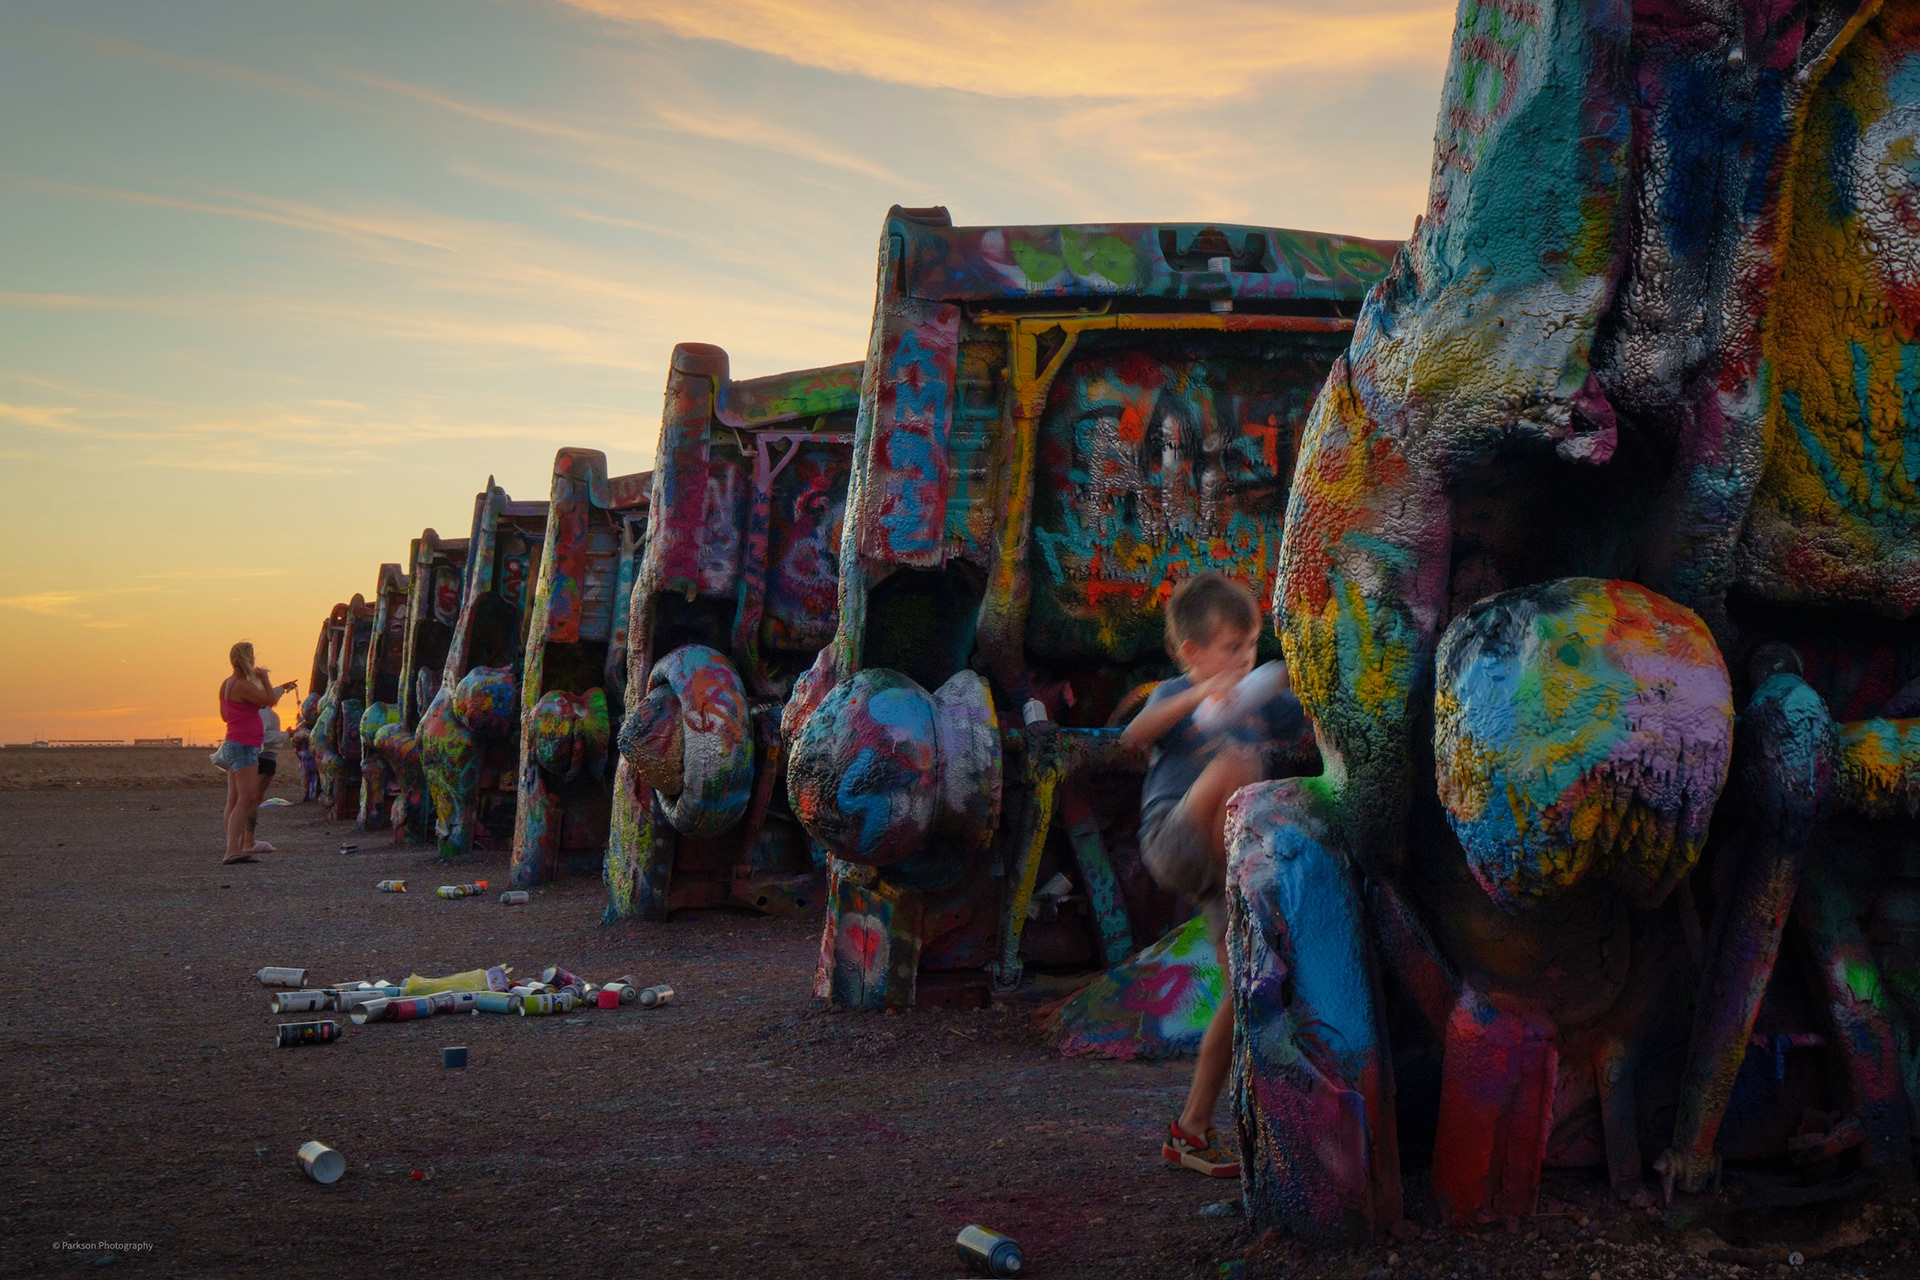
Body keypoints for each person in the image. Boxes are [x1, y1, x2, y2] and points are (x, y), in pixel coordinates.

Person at [1120, 572, 1303, 1178]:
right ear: (1193, 652)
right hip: (1174, 840)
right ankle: (1255, 886)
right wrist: (1202, 694)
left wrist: (1289, 675)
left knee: (1242, 992)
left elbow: (1309, 712)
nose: (1245, 660)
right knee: (1238, 760)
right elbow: (1132, 736)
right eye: (1231, 649)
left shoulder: (1260, 700)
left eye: (1250, 647)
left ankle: (1191, 1130)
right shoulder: (1177, 692)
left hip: (1224, 867)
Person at [213, 642, 297, 864]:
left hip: (234, 742)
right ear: (249, 660)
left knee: (234, 799)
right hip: (245, 745)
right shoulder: (243, 685)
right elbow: (269, 700)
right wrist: (266, 679)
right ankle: (232, 850)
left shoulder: (227, 684)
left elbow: (224, 715)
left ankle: (235, 847)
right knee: (247, 798)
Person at [245, 672, 291, 850]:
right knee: (253, 800)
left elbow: (271, 696)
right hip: (264, 758)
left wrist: (283, 688)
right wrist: (286, 735)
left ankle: (244, 840)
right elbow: (261, 736)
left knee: (252, 799)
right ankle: (248, 841)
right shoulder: (263, 712)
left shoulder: (262, 709)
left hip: (265, 758)